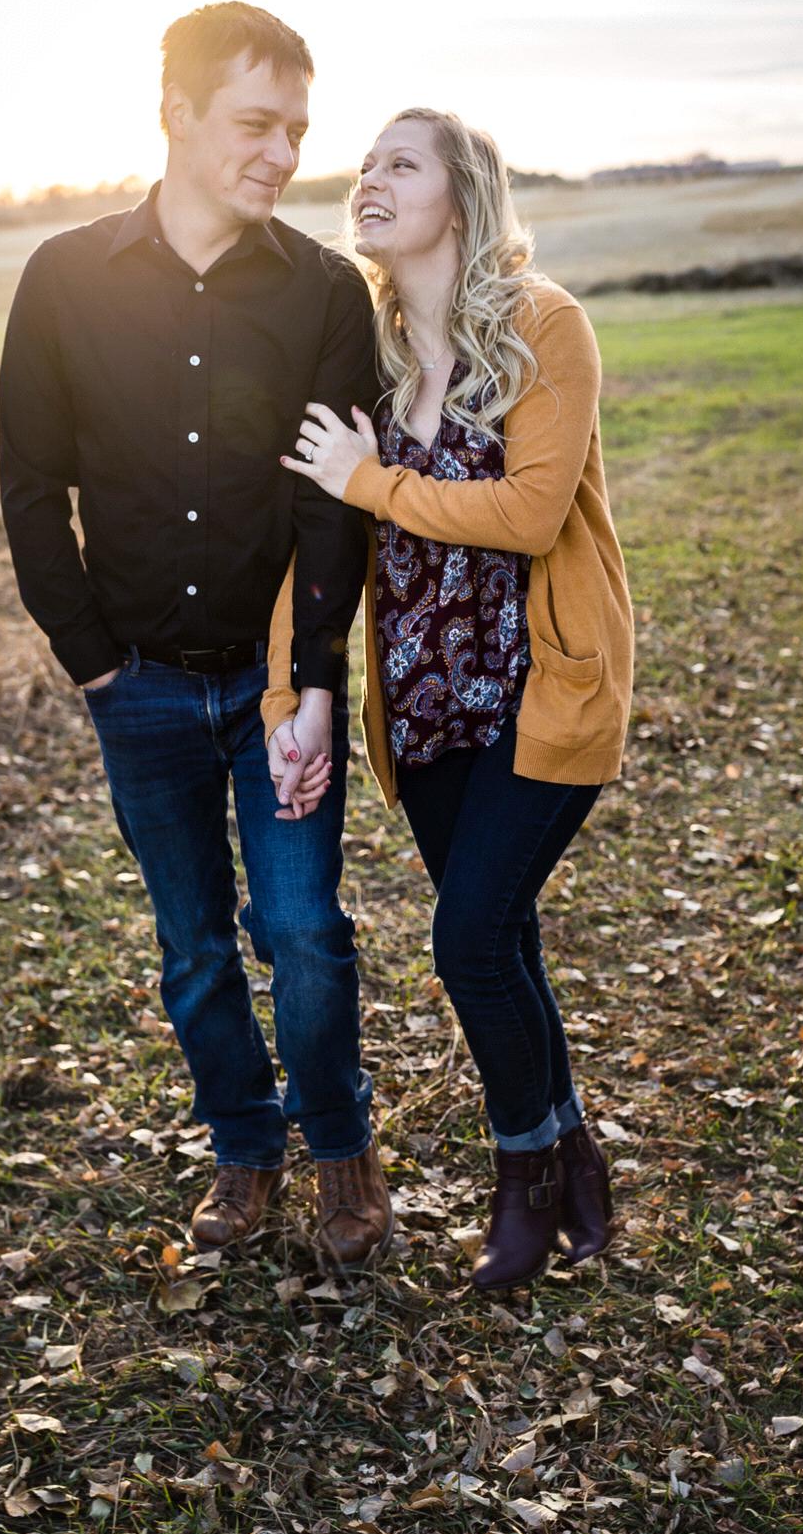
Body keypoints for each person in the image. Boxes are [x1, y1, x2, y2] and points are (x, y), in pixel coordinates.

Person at [0, 1, 393, 1274]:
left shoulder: (325, 292)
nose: (282, 154)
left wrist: (315, 683)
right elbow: (29, 483)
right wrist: (90, 658)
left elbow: (331, 507)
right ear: (175, 112)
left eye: (297, 130)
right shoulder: (63, 278)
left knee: (305, 931)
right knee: (192, 946)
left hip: (279, 688)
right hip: (141, 688)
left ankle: (341, 1145)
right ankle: (243, 1145)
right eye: (255, 124)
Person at [268, 108, 634, 1292]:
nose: (367, 178)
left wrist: (371, 480)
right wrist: (292, 691)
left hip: (541, 692)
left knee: (468, 939)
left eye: (400, 163)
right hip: (423, 706)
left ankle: (523, 1176)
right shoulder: (366, 358)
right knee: (502, 933)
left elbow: (528, 512)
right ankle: (573, 1156)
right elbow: (312, 539)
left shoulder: (541, 325)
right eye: (363, 164)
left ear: (462, 194)